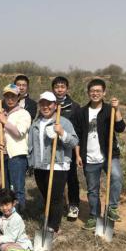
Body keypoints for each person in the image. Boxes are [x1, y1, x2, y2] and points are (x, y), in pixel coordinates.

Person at [73, 78, 126, 231]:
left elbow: (121, 128)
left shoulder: (110, 110)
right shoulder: (82, 112)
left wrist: (117, 110)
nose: (95, 93)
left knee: (116, 177)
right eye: (92, 91)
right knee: (92, 190)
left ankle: (112, 208)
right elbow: (77, 135)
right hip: (89, 156)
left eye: (98, 91)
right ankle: (94, 215)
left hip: (109, 155)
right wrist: (78, 155)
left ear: (104, 93)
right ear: (88, 93)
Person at [28, 91, 79, 236]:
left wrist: (62, 133)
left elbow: (74, 142)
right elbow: (31, 145)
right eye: (42, 103)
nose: (45, 106)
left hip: (57, 165)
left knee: (55, 197)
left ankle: (54, 226)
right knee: (46, 195)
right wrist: (31, 163)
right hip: (40, 166)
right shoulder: (36, 124)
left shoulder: (63, 122)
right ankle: (50, 217)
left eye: (48, 104)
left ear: (55, 105)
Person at [0, 84, 31, 213]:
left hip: (17, 156)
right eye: (7, 96)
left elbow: (19, 133)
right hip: (4, 155)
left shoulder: (23, 113)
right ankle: (7, 214)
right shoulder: (3, 113)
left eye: (13, 96)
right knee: (6, 188)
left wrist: (5, 121)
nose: (10, 99)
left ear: (18, 97)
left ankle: (19, 215)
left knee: (17, 188)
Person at [52, 76, 82, 220]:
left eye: (62, 86)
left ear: (67, 89)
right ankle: (58, 202)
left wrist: (77, 153)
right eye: (57, 86)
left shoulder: (74, 107)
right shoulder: (49, 104)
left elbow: (78, 132)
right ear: (53, 89)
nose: (59, 89)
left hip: (69, 148)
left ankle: (74, 204)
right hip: (52, 149)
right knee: (56, 177)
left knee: (71, 177)